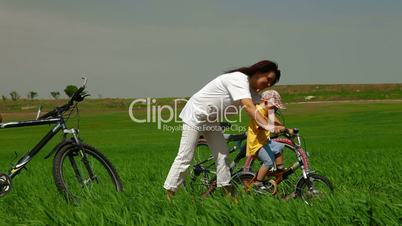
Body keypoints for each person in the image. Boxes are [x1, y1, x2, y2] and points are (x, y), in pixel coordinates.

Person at [163, 60, 281, 199]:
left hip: (211, 119)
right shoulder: (239, 79)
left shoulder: (250, 90)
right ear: (258, 72)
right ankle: (169, 197)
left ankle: (228, 197)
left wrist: (280, 126)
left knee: (223, 156)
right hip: (195, 115)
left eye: (271, 83)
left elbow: (265, 107)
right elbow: (250, 108)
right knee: (185, 157)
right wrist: (269, 126)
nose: (268, 85)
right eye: (268, 79)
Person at [245, 90, 288, 190]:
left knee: (279, 147)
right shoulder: (258, 110)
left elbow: (276, 121)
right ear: (265, 102)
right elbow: (262, 126)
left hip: (264, 141)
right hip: (256, 144)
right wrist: (276, 128)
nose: (275, 109)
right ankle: (258, 183)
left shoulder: (269, 110)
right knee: (268, 161)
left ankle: (279, 170)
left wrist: (284, 128)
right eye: (274, 107)